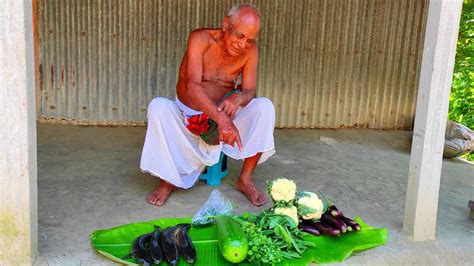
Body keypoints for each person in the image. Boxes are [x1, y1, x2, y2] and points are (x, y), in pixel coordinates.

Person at [140, 4, 275, 207]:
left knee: (265, 107)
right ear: (226, 24)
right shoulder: (200, 39)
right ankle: (167, 181)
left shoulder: (250, 51)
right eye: (239, 36)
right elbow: (193, 86)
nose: (243, 44)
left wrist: (237, 99)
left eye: (249, 40)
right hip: (188, 116)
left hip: (223, 116)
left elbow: (249, 91)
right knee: (158, 107)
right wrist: (222, 121)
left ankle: (245, 179)